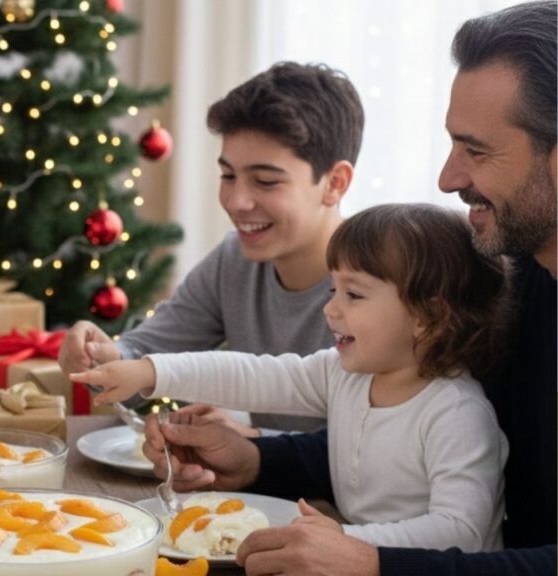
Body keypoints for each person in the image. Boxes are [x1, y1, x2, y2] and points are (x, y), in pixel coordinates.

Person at [132, 2, 557, 574]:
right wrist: (256, 460)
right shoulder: (512, 274)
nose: (447, 178)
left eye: (475, 149)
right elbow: (397, 454)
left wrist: (370, 559)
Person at [74, 203, 509, 552]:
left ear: (428, 315)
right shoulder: (344, 375)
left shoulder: (456, 412)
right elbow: (254, 373)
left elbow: (460, 533)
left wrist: (343, 541)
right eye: (332, 290)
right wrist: (151, 372)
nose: (331, 309)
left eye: (353, 294)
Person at [59, 61, 365, 436]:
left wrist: (253, 443)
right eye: (228, 175)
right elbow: (144, 357)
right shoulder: (235, 260)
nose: (237, 202)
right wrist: (102, 356)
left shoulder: (378, 283)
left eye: (266, 181)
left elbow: (368, 454)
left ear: (335, 183)